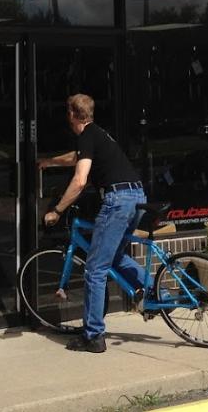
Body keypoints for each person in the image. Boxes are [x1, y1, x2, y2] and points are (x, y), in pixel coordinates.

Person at [38, 93, 147, 353]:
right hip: (137, 196)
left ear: (71, 114)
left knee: (95, 269)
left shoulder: (86, 136)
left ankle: (93, 336)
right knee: (116, 257)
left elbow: (80, 180)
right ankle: (156, 294)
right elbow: (78, 157)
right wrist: (50, 162)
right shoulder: (97, 134)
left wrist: (57, 210)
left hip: (118, 200)